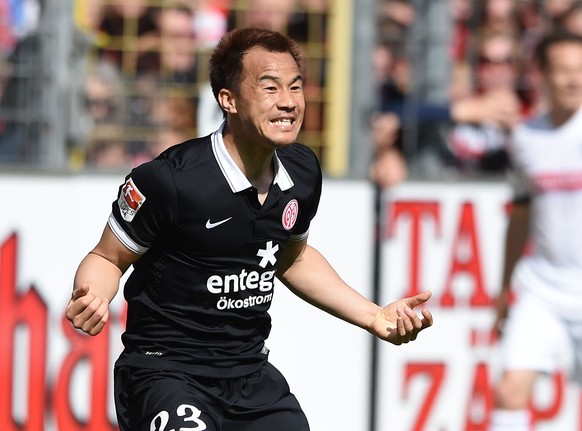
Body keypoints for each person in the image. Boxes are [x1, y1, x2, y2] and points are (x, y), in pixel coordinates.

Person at [65, 27, 433, 431]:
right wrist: (93, 295)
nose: (289, 102)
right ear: (229, 100)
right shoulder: (171, 181)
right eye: (270, 88)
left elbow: (293, 258)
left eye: (295, 87)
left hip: (250, 378)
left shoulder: (303, 171)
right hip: (166, 375)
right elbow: (106, 257)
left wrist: (374, 315)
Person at [489, 30, 582, 431]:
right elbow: (522, 214)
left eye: (580, 70)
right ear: (541, 75)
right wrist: (504, 288)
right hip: (543, 288)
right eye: (562, 70)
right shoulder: (527, 138)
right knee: (510, 391)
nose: (573, 79)